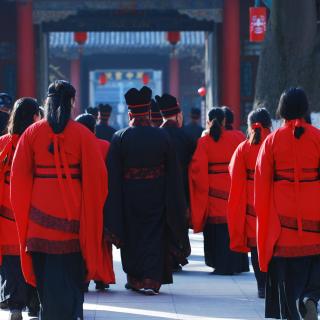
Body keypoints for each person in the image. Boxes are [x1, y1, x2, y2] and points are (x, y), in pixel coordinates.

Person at [10, 80, 114, 320]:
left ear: (47, 102)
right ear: (72, 102)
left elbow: (19, 179)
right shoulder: (82, 134)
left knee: (45, 279)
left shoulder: (32, 133)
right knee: (71, 275)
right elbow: (98, 180)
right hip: (74, 217)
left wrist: (23, 210)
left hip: (38, 216)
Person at [104, 86, 190, 295]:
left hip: (129, 196)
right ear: (148, 113)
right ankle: (152, 279)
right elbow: (174, 174)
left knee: (133, 237)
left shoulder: (119, 137)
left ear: (130, 114)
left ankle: (135, 279)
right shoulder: (163, 137)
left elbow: (112, 177)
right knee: (155, 236)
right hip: (157, 194)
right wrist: (177, 203)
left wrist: (112, 207)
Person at [255, 88, 320, 320]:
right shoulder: (317, 137)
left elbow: (261, 186)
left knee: (287, 279)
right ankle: (310, 297)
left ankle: (294, 309)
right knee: (315, 266)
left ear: (281, 109)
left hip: (283, 218)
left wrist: (264, 224)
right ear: (305, 108)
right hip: (315, 211)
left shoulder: (271, 141)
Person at [189, 107, 249, 275]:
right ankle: (238, 264)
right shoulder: (239, 137)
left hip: (213, 192)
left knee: (217, 231)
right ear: (224, 121)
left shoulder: (204, 141)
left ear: (208, 121)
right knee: (234, 226)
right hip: (234, 187)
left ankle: (218, 263)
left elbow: (197, 169)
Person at [0, 98, 41, 320]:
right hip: (33, 216)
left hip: (6, 217)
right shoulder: (38, 141)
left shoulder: (2, 143)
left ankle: (15, 306)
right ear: (35, 116)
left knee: (11, 265)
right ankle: (34, 306)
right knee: (34, 261)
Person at [228, 108, 271, 298]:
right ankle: (272, 284)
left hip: (251, 206)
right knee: (273, 246)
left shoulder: (243, 148)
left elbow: (234, 175)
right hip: (272, 203)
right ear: (269, 124)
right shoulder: (274, 143)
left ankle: (261, 285)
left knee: (255, 247)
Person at [75, 113, 114, 292]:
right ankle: (102, 276)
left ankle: (82, 276)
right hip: (103, 199)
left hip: (79, 199)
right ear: (94, 129)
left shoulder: (74, 146)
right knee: (101, 239)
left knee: (81, 238)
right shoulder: (105, 146)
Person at [156, 93, 195, 271]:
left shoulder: (156, 135)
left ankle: (164, 260)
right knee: (179, 224)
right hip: (182, 189)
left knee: (162, 225)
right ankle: (176, 258)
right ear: (178, 115)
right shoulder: (185, 137)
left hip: (159, 189)